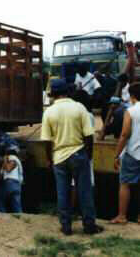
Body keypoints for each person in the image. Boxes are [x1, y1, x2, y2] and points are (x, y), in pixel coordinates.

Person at [41, 78, 103, 235]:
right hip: (78, 153)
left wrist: (49, 159)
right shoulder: (79, 107)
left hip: (59, 157)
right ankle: (89, 225)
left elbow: (47, 141)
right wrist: (88, 155)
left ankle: (66, 226)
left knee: (62, 192)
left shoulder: (48, 112)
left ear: (53, 94)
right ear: (67, 92)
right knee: (85, 192)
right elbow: (89, 136)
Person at [110, 82, 140, 224]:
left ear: (132, 96)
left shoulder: (131, 111)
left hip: (133, 153)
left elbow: (124, 134)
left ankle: (122, 216)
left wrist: (116, 155)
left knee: (125, 184)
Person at [0, 132, 23, 213]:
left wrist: (4, 159)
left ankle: (3, 217)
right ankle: (21, 221)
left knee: (0, 201)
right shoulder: (16, 160)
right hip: (17, 186)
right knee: (17, 206)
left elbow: (8, 169)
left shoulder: (12, 158)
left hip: (10, 183)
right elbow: (2, 172)